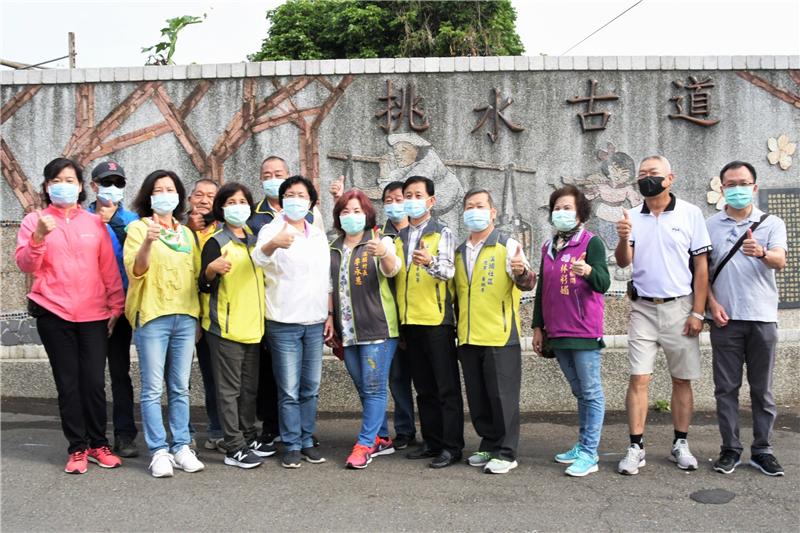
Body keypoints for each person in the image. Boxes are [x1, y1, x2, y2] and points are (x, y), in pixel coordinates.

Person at [15, 157, 124, 474]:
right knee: (68, 384)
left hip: (93, 314)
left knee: (93, 383)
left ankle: (98, 444)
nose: (63, 186)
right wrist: (37, 238)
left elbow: (108, 269)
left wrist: (116, 306)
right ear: (47, 187)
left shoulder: (93, 223)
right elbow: (25, 264)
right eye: (56, 181)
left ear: (80, 187)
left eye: (70, 180)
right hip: (54, 313)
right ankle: (76, 448)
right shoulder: (34, 221)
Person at [614, 155, 711, 475]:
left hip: (680, 307)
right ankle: (636, 446)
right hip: (643, 307)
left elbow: (701, 267)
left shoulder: (690, 213)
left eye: (653, 173)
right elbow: (624, 262)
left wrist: (698, 311)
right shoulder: (632, 216)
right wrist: (622, 237)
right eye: (642, 174)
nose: (646, 179)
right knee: (639, 377)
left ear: (671, 177)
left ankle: (680, 443)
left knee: (682, 379)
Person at [706, 161, 787, 476]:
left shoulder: (772, 223)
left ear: (754, 187)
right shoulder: (710, 225)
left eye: (743, 183)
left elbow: (780, 260)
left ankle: (763, 450)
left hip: (762, 318)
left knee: (761, 389)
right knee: (725, 388)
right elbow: (701, 273)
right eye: (730, 183)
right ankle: (730, 449)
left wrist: (761, 253)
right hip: (725, 320)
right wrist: (711, 305)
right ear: (722, 188)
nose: (736, 188)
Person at [124, 170, 205, 478]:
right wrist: (147, 242)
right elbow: (137, 271)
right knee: (152, 388)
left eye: (170, 189)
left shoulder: (186, 234)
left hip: (184, 316)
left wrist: (196, 316)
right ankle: (159, 450)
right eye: (158, 190)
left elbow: (194, 276)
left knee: (180, 387)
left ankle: (182, 446)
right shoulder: (137, 228)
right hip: (152, 315)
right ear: (149, 196)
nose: (165, 194)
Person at [251, 175, 330, 468]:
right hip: (283, 321)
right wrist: (273, 244)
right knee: (288, 388)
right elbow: (257, 259)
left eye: (301, 195)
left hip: (315, 321)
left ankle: (307, 439)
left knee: (310, 386)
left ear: (310, 202)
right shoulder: (272, 229)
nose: (296, 199)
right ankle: (292, 443)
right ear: (283, 200)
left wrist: (329, 314)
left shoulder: (318, 235)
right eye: (290, 195)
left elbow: (326, 279)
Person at [455, 188, 535, 475]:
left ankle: (506, 451)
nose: (473, 210)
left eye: (480, 205)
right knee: (478, 395)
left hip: (500, 334)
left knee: (503, 396)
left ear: (492, 212)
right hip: (468, 335)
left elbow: (527, 281)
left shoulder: (506, 244)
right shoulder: (460, 251)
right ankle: (488, 444)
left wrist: (522, 272)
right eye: (469, 206)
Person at [533, 185, 610, 477]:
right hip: (557, 331)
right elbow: (543, 290)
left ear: (580, 213)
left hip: (584, 331)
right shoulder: (549, 246)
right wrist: (538, 327)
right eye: (557, 208)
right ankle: (582, 446)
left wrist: (589, 272)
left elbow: (603, 282)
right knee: (580, 391)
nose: (561, 212)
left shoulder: (592, 243)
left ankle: (590, 453)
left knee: (591, 391)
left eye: (567, 207)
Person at [394, 176, 464, 469]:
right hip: (409, 322)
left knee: (445, 387)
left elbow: (448, 272)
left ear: (431, 201)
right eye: (407, 195)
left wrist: (429, 263)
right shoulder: (398, 237)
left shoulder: (442, 232)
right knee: (423, 387)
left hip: (437, 321)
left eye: (417, 194)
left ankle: (452, 446)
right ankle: (432, 441)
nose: (412, 200)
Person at [328, 189, 401, 469]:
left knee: (373, 388)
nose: (351, 216)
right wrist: (331, 318)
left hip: (377, 329)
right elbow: (330, 286)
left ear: (367, 214)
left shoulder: (380, 241)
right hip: (347, 331)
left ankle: (364, 444)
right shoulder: (334, 247)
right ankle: (381, 437)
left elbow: (393, 269)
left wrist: (384, 253)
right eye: (345, 211)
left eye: (357, 211)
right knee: (363, 386)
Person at [199, 182, 269, 469]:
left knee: (249, 388)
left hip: (254, 326)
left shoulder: (254, 238)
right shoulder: (215, 242)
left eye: (242, 201)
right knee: (229, 390)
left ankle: (249, 435)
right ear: (221, 208)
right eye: (231, 202)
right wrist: (211, 271)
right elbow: (202, 285)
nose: (237, 206)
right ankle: (233, 445)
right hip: (224, 328)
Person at [86, 160, 140, 458]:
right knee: (90, 375)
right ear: (94, 185)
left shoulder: (132, 220)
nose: (113, 188)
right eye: (107, 182)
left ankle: (124, 435)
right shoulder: (81, 218)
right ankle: (90, 436)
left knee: (120, 372)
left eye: (119, 183)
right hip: (89, 308)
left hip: (121, 309)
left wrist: (111, 221)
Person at [186, 178, 225, 452]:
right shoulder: (177, 229)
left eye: (210, 195)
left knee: (215, 378)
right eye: (198, 194)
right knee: (179, 380)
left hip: (212, 316)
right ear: (189, 199)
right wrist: (188, 230)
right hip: (183, 313)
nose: (203, 200)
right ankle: (183, 432)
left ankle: (217, 430)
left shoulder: (224, 231)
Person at [381, 181, 418, 450]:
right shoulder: (377, 236)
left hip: (418, 318)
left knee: (426, 380)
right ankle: (404, 431)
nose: (395, 204)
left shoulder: (420, 234)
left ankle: (434, 431)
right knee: (397, 379)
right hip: (388, 321)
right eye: (389, 199)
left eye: (399, 198)